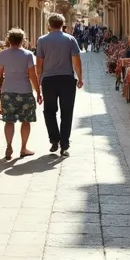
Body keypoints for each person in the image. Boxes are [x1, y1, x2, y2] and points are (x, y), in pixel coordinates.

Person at [35, 13, 84, 157]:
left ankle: (54, 139)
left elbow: (39, 65)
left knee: (49, 111)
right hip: (67, 80)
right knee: (66, 112)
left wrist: (39, 83)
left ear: (49, 25)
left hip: (49, 80)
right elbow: (76, 60)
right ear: (63, 24)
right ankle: (64, 144)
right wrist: (80, 78)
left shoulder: (42, 40)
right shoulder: (70, 39)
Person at [0, 28, 40, 161]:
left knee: (9, 120)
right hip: (24, 90)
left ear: (8, 40)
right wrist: (38, 91)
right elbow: (32, 75)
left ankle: (8, 145)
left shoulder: (2, 55)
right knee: (25, 121)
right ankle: (23, 148)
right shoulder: (28, 54)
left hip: (8, 91)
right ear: (23, 40)